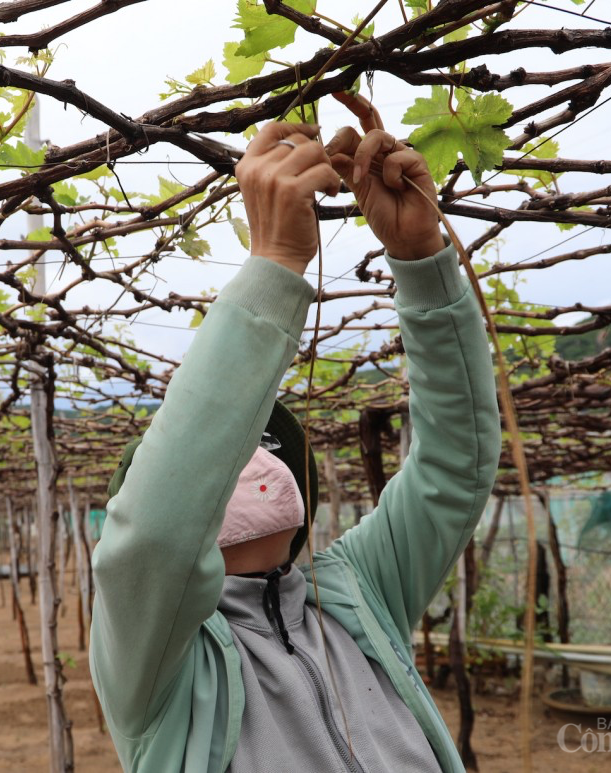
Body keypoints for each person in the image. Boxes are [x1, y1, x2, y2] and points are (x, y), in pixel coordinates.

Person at [90, 95, 501, 773]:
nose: (250, 462)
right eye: (227, 459)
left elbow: (453, 469)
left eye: (266, 445)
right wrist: (275, 264)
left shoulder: (359, 591)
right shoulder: (159, 660)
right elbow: (156, 536)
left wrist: (422, 261)